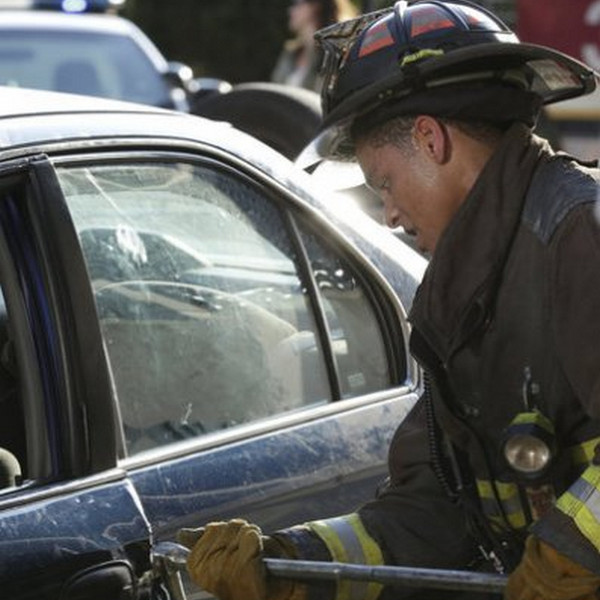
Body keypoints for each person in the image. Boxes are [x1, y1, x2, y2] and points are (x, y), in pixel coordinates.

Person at [178, 2, 600, 599]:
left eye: (384, 184)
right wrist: (292, 565)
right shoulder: (464, 288)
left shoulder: (577, 232)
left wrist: (573, 555)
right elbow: (430, 510)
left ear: (430, 139)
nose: (391, 216)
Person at [270, 0, 358, 92]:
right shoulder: (291, 53)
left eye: (296, 3)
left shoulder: (335, 57)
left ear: (314, 7)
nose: (290, 10)